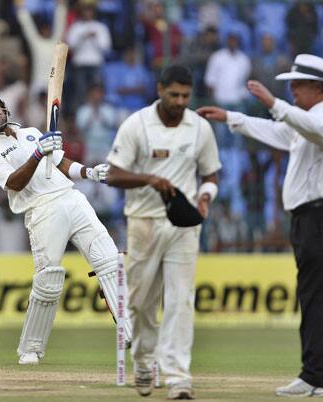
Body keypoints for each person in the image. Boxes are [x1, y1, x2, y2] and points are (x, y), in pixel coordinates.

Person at [198, 54, 323, 397]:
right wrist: (232, 117)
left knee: (314, 296)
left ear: (316, 87)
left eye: (297, 84)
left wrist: (273, 101)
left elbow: (303, 125)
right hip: (311, 216)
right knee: (321, 297)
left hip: (320, 214)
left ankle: (315, 375)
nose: (293, 90)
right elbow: (279, 131)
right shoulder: (308, 118)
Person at [0, 92, 132, 365]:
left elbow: (60, 163)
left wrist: (90, 173)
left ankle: (130, 330)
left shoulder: (33, 132)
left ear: (6, 110)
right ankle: (30, 349)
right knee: (48, 282)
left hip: (72, 197)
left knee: (110, 262)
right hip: (42, 210)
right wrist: (37, 154)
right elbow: (14, 183)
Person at [106, 65, 221, 400]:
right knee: (141, 303)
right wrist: (151, 180)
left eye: (186, 95)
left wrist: (205, 196)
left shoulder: (199, 128)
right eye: (174, 94)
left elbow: (211, 174)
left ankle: (177, 377)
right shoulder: (137, 125)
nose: (180, 101)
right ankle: (143, 363)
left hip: (183, 225)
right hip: (143, 222)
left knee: (181, 300)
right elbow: (113, 175)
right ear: (160, 89)